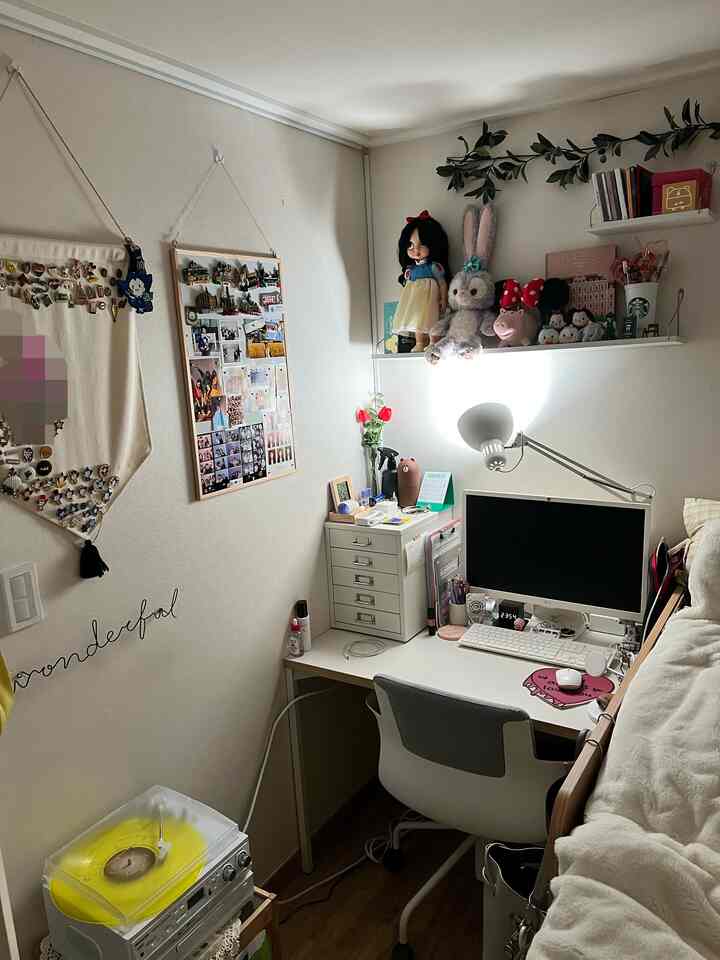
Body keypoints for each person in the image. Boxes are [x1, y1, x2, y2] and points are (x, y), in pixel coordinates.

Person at [392, 211, 449, 353]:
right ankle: (419, 342)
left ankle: (433, 342)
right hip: (415, 303)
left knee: (432, 321)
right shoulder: (410, 270)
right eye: (410, 245)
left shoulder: (434, 267)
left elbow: (442, 283)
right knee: (417, 323)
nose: (415, 250)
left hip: (430, 301)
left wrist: (443, 298)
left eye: (421, 244)